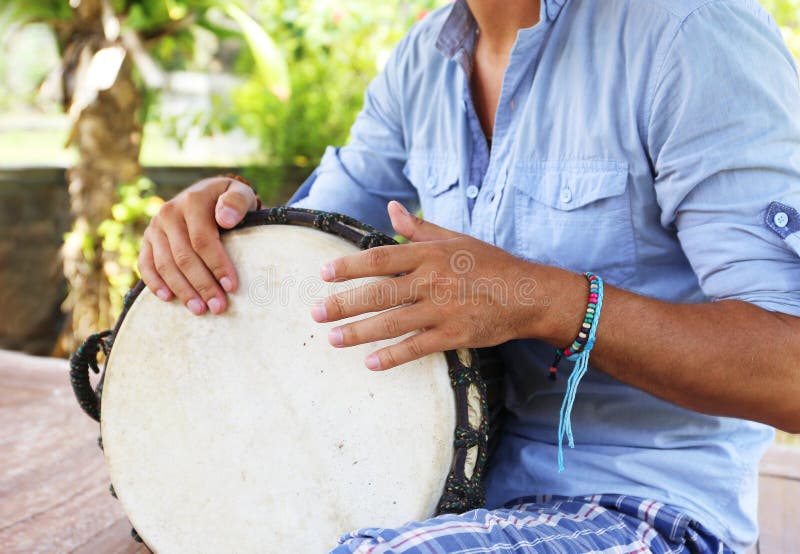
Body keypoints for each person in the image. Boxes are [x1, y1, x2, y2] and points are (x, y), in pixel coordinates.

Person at [137, 0, 800, 551]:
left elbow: (789, 373)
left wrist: (544, 299)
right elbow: (303, 250)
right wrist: (220, 220)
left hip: (646, 509)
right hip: (450, 500)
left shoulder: (691, 32)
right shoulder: (422, 62)